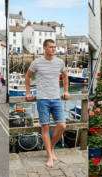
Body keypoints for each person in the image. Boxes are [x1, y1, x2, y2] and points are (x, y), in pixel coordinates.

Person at [25, 39, 70, 168]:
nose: (53, 49)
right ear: (44, 48)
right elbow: (27, 77)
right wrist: (29, 93)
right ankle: (50, 155)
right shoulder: (36, 62)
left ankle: (51, 148)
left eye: (54, 47)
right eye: (51, 47)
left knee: (62, 126)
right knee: (45, 127)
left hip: (56, 98)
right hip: (42, 99)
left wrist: (66, 91)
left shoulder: (60, 62)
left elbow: (65, 76)